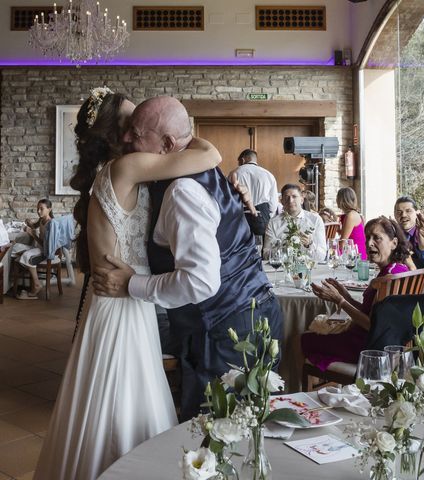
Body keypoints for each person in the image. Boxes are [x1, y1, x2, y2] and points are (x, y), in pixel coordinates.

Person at [34, 89, 222, 480]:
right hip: (122, 301)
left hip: (120, 297)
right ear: (119, 133)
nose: (137, 130)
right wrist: (184, 131)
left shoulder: (118, 170)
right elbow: (209, 154)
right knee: (121, 398)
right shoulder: (128, 167)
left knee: (111, 398)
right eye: (132, 122)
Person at [91, 96, 284, 423]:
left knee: (218, 437)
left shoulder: (182, 190)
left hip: (227, 333)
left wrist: (132, 284)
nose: (127, 139)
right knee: (251, 430)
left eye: (136, 133)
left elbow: (200, 281)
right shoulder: (200, 167)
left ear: (167, 143)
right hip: (255, 313)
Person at [301, 216, 410, 370]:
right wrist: (347, 297)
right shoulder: (400, 269)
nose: (369, 243)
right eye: (367, 238)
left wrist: (340, 301)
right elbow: (374, 313)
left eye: (377, 238)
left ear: (394, 243)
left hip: (366, 348)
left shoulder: (388, 278)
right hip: (385, 344)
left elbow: (371, 325)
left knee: (304, 338)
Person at [263, 184, 327, 262]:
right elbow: (266, 254)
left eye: (294, 196)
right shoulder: (273, 223)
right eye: (287, 197)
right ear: (281, 201)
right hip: (282, 270)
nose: (290, 200)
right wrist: (283, 247)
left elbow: (321, 256)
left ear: (301, 200)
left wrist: (309, 244)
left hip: (309, 269)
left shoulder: (315, 220)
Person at [228, 149, 278, 235]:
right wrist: (267, 216)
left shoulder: (234, 173)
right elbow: (273, 204)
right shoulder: (268, 175)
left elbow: (228, 198)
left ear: (242, 160)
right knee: (262, 245)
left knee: (241, 244)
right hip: (262, 214)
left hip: (240, 215)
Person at [11, 198, 54, 299]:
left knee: (27, 256)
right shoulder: (42, 219)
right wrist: (29, 224)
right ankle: (18, 281)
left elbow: (46, 245)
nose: (38, 211)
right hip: (38, 247)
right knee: (15, 248)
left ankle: (36, 284)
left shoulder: (51, 224)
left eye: (41, 209)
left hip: (45, 250)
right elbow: (35, 226)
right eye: (37, 209)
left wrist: (33, 235)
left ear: (49, 209)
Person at [336, 187, 367, 260]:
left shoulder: (351, 216)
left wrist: (333, 253)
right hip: (356, 253)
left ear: (341, 200)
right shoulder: (355, 214)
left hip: (355, 256)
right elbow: (352, 235)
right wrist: (338, 229)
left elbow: (343, 242)